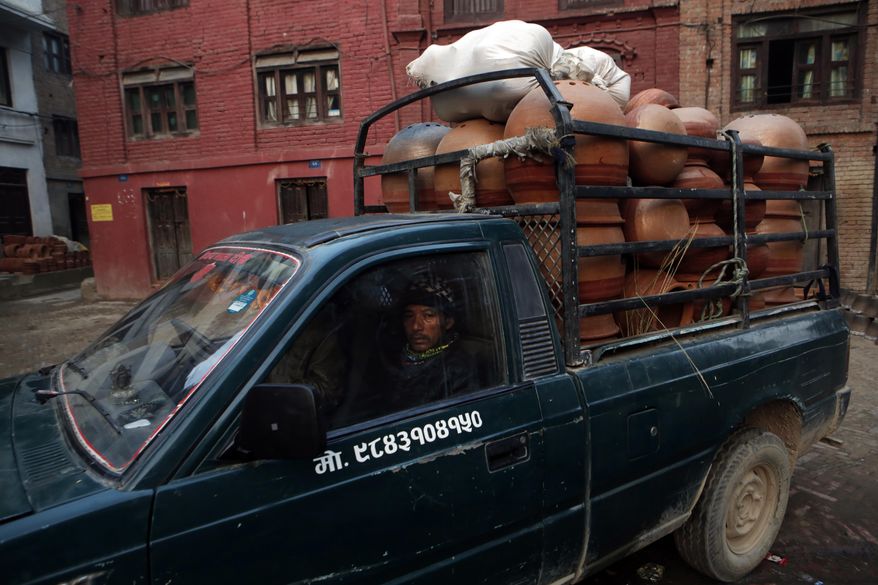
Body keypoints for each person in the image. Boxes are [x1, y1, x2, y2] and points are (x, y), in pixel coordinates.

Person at [381, 274, 479, 411]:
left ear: (448, 322)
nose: (416, 326)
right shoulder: (392, 355)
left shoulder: (458, 371)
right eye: (409, 316)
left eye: (428, 315)